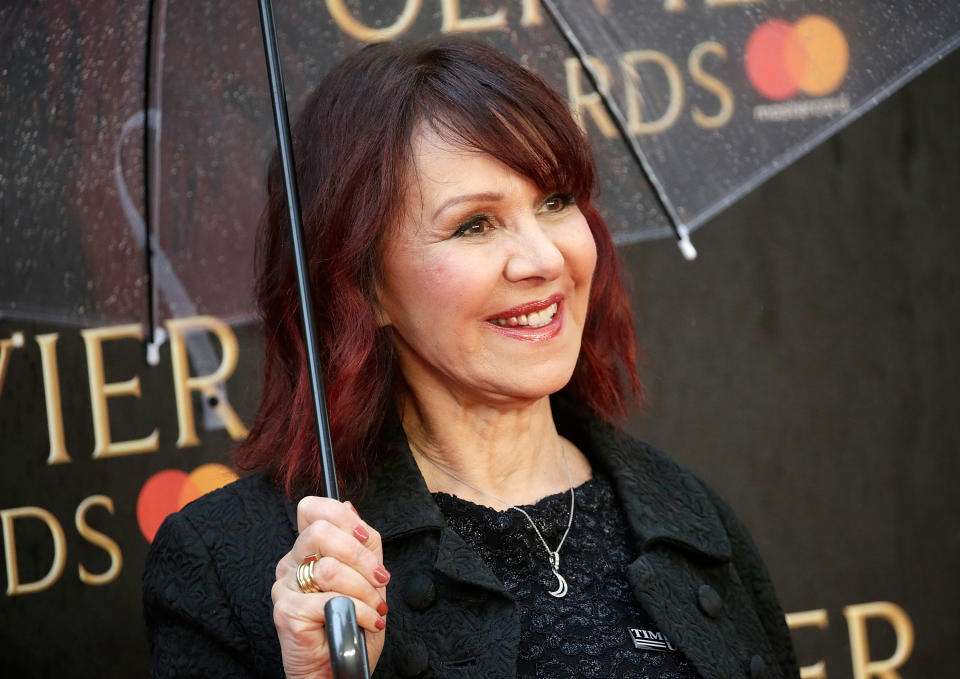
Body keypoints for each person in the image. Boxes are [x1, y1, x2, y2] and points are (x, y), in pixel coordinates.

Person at [143, 38, 799, 679]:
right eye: (474, 224)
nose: (543, 258)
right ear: (363, 286)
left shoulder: (690, 517)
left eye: (554, 201)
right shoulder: (232, 564)